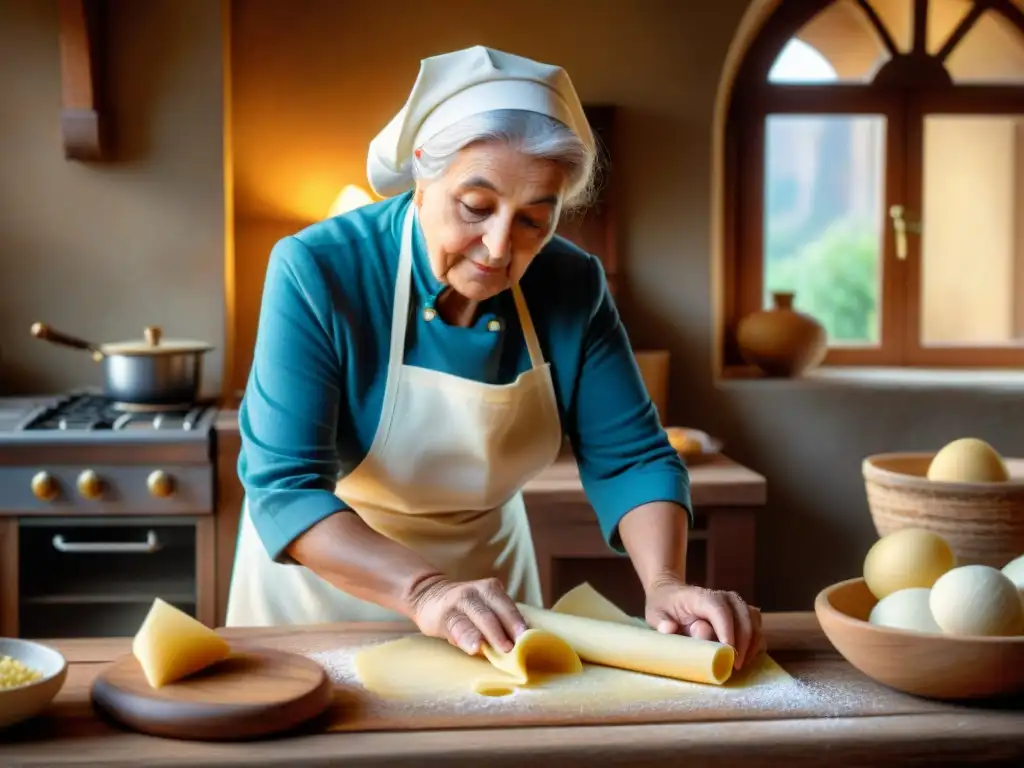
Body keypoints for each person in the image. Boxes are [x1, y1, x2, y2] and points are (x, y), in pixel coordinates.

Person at [225, 45, 763, 669]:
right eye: (475, 208)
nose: (499, 247)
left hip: (490, 605)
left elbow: (634, 456)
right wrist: (426, 589)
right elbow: (285, 487)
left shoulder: (573, 283)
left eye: (535, 220)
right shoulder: (320, 268)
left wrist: (665, 582)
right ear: (423, 173)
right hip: (323, 595)